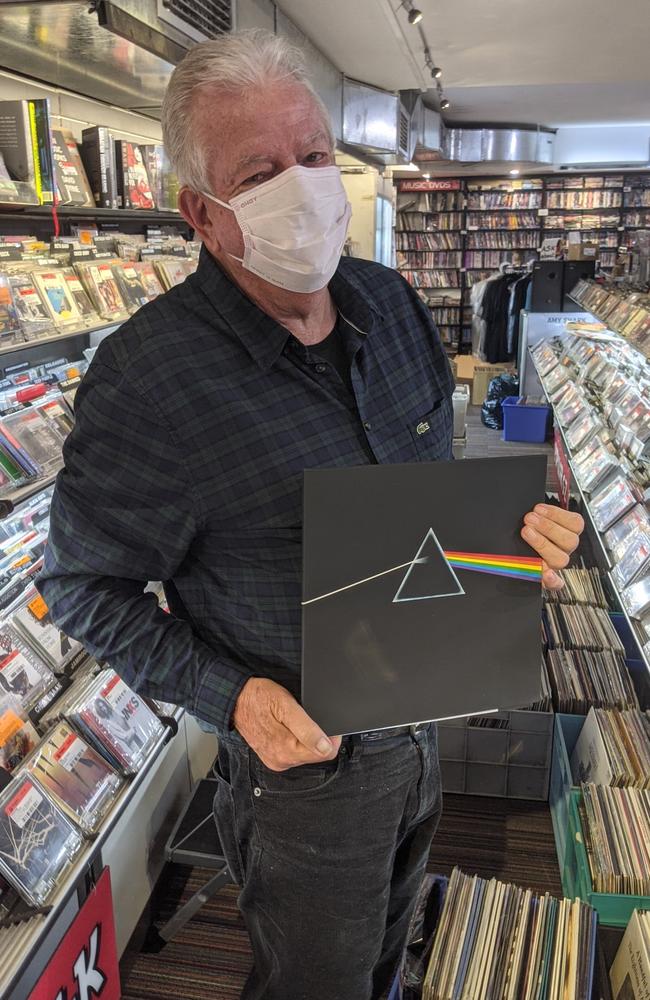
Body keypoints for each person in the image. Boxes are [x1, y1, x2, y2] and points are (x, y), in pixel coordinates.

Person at [37, 29, 584, 1000]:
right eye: (262, 171)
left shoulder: (390, 303)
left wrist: (512, 537)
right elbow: (82, 587)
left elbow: (424, 501)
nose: (306, 187)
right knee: (313, 982)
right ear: (203, 214)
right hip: (304, 769)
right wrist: (233, 697)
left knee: (384, 951)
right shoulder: (150, 383)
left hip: (420, 725)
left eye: (314, 157)